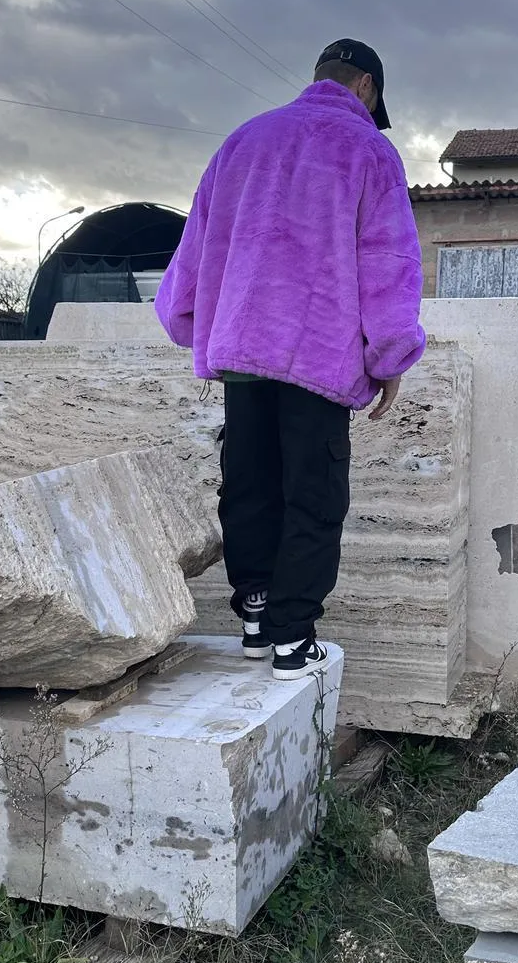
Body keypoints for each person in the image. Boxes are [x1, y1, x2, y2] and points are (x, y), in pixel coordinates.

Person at [154, 39, 426, 680]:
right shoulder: (369, 150)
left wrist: (189, 321)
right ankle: (292, 637)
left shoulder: (243, 142)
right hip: (317, 357)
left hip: (243, 353)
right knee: (312, 493)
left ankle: (254, 613)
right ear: (365, 87)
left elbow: (194, 246)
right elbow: (387, 262)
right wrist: (389, 356)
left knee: (249, 483)